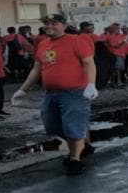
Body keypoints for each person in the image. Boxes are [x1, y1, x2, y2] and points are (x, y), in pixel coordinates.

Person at [11, 13, 97, 176]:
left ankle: (74, 159)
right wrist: (23, 89)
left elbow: (89, 63)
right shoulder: (43, 44)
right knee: (51, 125)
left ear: (64, 25)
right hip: (51, 94)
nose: (49, 26)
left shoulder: (76, 41)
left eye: (54, 23)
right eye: (46, 23)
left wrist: (91, 84)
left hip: (75, 93)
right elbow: (37, 69)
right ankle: (81, 142)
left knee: (72, 126)